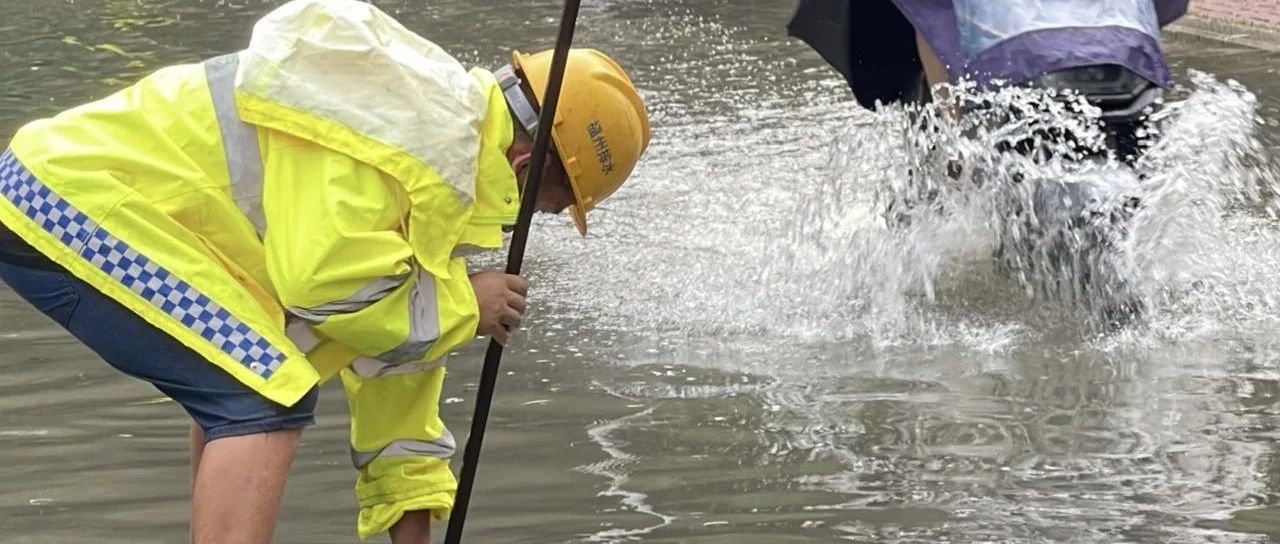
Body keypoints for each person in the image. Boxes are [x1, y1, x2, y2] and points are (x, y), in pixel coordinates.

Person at [0, 0, 650, 542]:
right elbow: (327, 285)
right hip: (69, 201)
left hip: (81, 204)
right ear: (525, 169)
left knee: (249, 374)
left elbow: (397, 374)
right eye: (551, 207)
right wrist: (464, 305)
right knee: (261, 395)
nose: (531, 223)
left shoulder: (442, 186)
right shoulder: (421, 143)